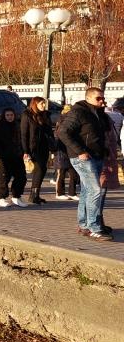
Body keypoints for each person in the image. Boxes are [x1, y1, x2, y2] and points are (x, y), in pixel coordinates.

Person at [59, 88, 112, 240]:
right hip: (82, 157)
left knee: (87, 191)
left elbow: (97, 135)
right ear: (88, 98)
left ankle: (83, 224)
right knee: (95, 190)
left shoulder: (98, 113)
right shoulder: (79, 112)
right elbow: (63, 132)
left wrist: (105, 151)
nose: (102, 101)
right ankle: (94, 228)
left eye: (103, 98)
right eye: (98, 99)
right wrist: (79, 151)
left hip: (96, 156)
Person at [20, 97, 53, 204]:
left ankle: (35, 195)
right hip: (33, 147)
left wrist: (52, 146)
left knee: (42, 170)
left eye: (44, 103)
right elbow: (24, 134)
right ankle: (33, 195)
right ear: (35, 104)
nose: (44, 106)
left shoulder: (46, 115)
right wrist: (25, 151)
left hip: (44, 146)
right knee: (39, 170)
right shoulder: (27, 115)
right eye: (42, 103)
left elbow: (49, 132)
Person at [0, 108, 29, 207]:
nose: (10, 117)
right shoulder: (0, 126)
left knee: (21, 176)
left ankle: (16, 196)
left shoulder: (18, 125)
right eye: (7, 115)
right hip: (4, 156)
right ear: (4, 116)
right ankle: (2, 197)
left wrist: (24, 151)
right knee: (4, 177)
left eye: (11, 115)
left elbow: (22, 139)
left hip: (17, 155)